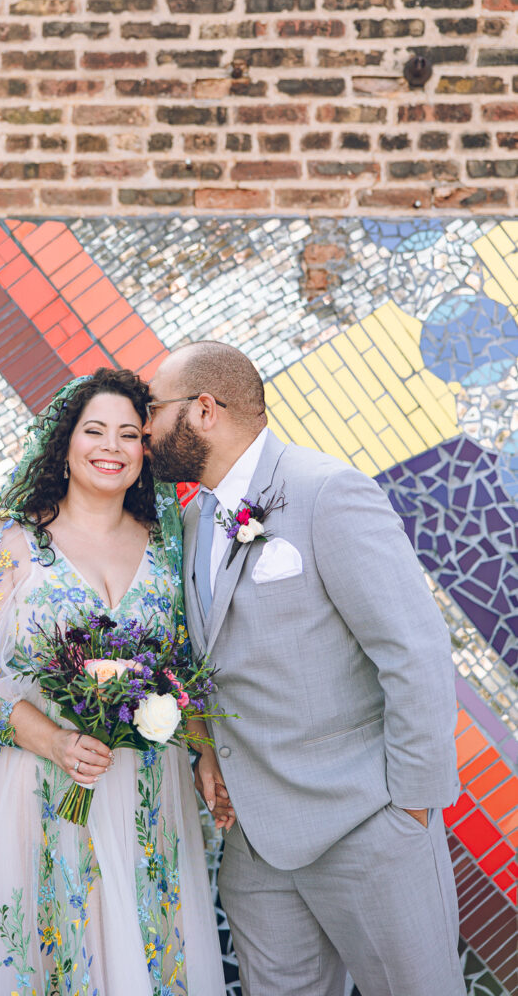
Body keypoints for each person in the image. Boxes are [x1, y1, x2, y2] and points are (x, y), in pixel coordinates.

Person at [144, 341, 465, 996]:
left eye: (153, 409)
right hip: (255, 849)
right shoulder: (187, 524)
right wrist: (207, 749)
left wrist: (409, 807)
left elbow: (413, 649)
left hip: (366, 826)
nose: (143, 428)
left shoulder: (327, 493)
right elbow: (208, 660)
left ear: (204, 409)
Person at [0, 368, 226, 996]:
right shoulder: (7, 544)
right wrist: (53, 741)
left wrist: (205, 753)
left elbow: (184, 662)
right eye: (94, 430)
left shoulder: (166, 547)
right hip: (30, 785)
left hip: (139, 788)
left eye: (129, 434)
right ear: (64, 445)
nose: (112, 446)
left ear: (146, 452)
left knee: (138, 949)